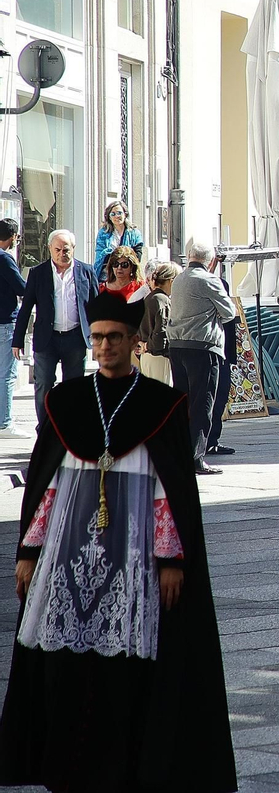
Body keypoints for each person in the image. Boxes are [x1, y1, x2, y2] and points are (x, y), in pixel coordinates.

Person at [0, 292, 234, 792]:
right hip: (68, 555)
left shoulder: (161, 404)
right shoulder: (65, 401)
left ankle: (127, 767)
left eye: (114, 338)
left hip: (136, 557)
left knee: (128, 667)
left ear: (133, 341)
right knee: (67, 666)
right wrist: (28, 552)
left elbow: (167, 492)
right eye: (98, 338)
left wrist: (172, 558)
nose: (104, 346)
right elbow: (47, 487)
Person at [12, 229, 100, 424]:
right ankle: (45, 430)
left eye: (66, 249)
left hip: (75, 337)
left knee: (74, 386)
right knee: (43, 384)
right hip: (47, 338)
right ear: (50, 249)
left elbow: (96, 307)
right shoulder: (38, 273)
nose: (62, 254)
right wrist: (17, 341)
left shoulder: (86, 272)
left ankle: (70, 430)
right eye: (58, 249)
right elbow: (25, 308)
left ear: (73, 249)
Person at [165, 239, 233, 476]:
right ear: (211, 261)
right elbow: (229, 312)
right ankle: (196, 458)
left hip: (177, 345)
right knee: (202, 402)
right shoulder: (210, 280)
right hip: (203, 346)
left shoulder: (179, 279)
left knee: (183, 401)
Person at [0, 219, 27, 432]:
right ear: (12, 237)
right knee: (7, 374)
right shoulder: (5, 259)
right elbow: (21, 288)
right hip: (5, 323)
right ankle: (5, 422)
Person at [137, 262, 180, 386]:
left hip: (147, 356)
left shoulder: (149, 298)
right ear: (171, 281)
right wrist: (148, 346)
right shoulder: (162, 300)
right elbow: (161, 332)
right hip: (158, 356)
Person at [92, 199, 146, 276]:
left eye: (119, 213)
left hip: (127, 273)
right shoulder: (103, 233)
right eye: (113, 214)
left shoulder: (134, 233)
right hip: (107, 273)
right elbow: (100, 255)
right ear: (109, 217)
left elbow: (137, 256)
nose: (116, 216)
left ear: (125, 214)